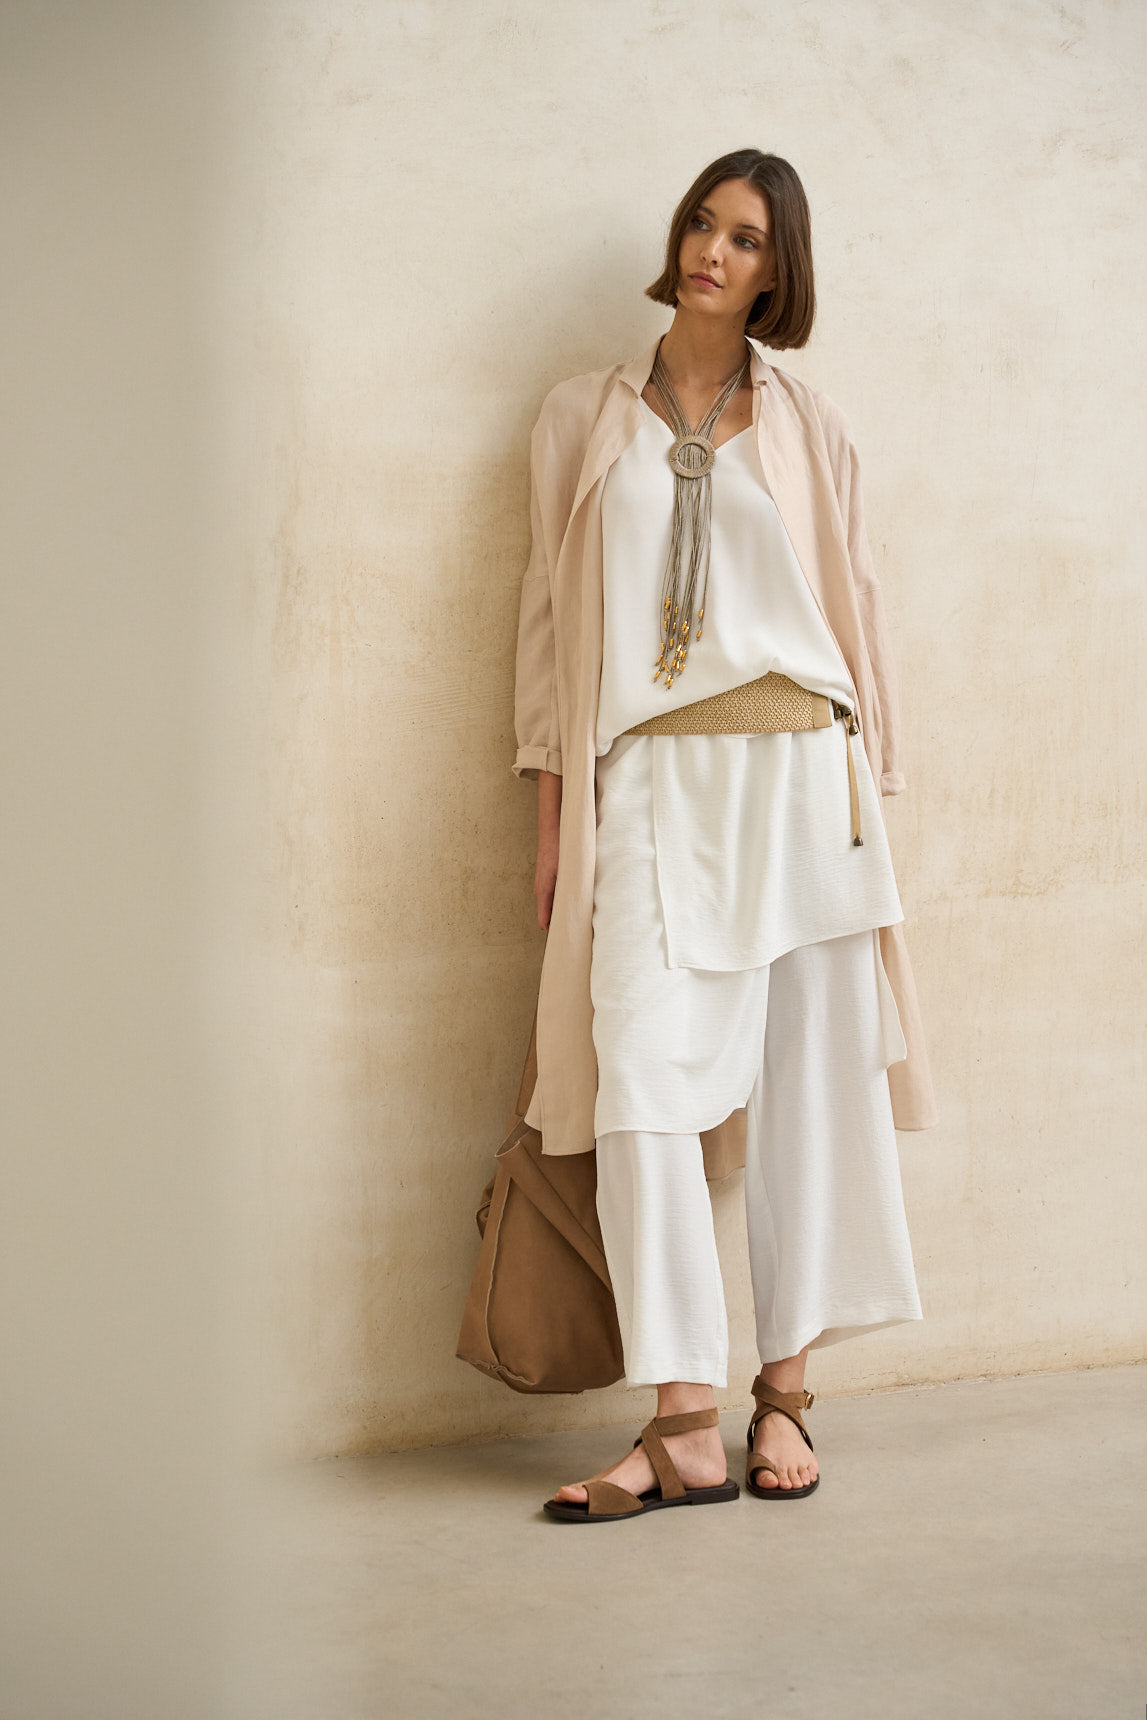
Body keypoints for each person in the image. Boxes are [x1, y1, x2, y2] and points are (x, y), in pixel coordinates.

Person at [511, 149, 937, 1523]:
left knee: (812, 1086)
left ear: (777, 269)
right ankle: (684, 1419)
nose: (713, 251)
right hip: (650, 780)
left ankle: (785, 1393)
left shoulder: (812, 424)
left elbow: (856, 599)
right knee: (642, 1080)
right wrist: (552, 819)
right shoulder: (582, 419)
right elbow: (546, 632)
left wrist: (879, 780)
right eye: (703, 223)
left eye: (747, 238)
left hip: (804, 778)